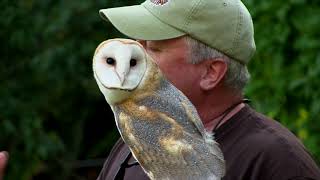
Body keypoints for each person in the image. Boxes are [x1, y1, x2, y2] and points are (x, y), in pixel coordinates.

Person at [95, 0, 320, 180]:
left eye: (154, 47)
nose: (134, 53)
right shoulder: (133, 142)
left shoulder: (274, 161)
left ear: (211, 73)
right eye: (138, 42)